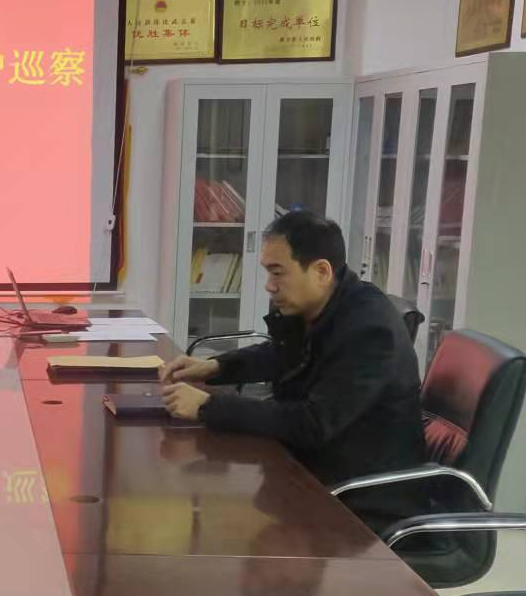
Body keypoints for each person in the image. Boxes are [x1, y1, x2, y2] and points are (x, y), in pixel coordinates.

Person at [159, 210, 425, 532]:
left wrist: (207, 406)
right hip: (316, 468)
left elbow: (312, 423)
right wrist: (214, 367)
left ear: (321, 271)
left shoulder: (369, 331)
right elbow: (283, 354)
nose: (269, 286)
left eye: (278, 273)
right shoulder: (326, 305)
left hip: (359, 498)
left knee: (210, 514)